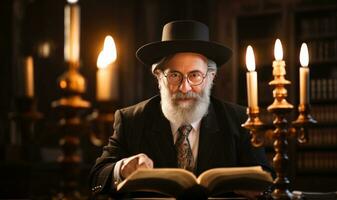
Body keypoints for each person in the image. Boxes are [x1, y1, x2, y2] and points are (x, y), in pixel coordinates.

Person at [89, 20, 273, 198]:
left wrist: (258, 189)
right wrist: (121, 169)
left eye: (194, 75)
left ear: (210, 77)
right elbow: (96, 178)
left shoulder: (240, 119)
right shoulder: (131, 120)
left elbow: (267, 180)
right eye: (175, 75)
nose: (185, 88)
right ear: (159, 77)